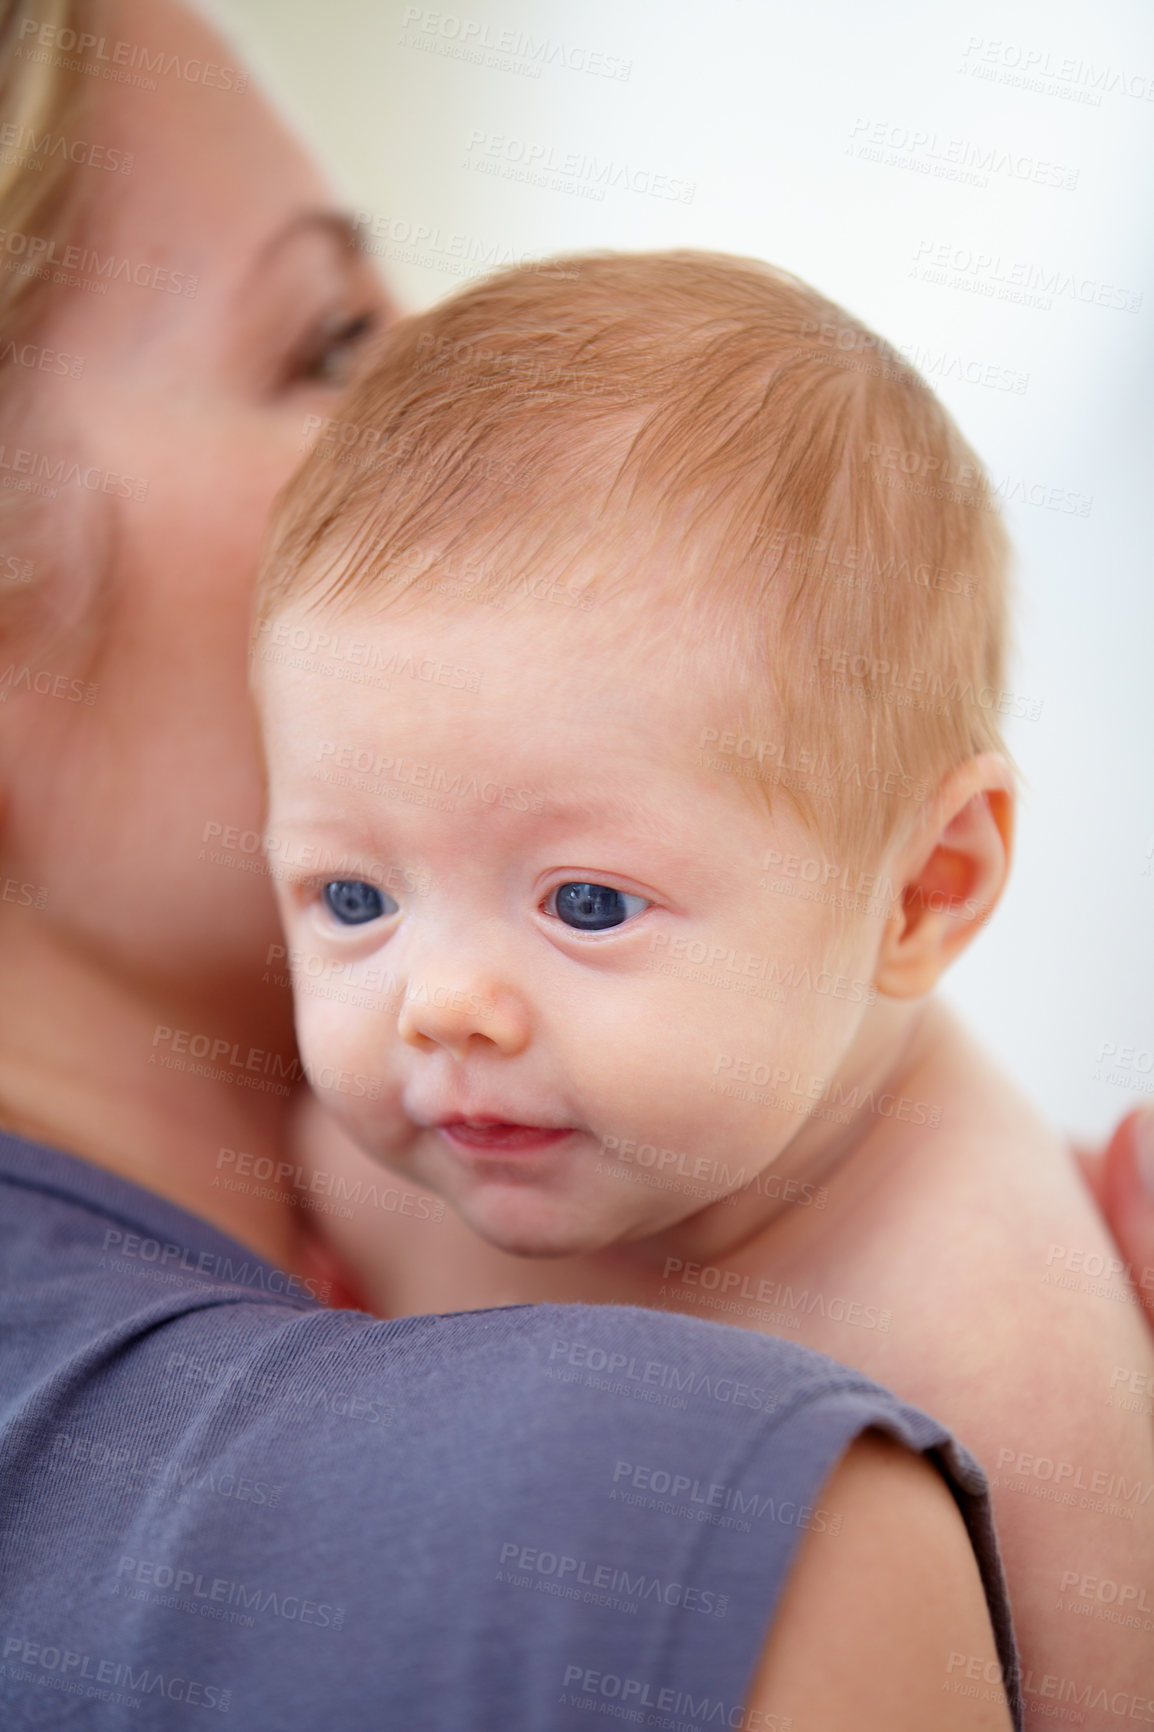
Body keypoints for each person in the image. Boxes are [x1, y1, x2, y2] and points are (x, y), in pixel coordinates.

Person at [0, 1, 1027, 1725]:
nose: (451, 371)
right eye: (329, 343)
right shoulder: (727, 1531)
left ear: (926, 889)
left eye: (589, 904)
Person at [250, 250, 1154, 1725]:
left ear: (923, 890)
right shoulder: (357, 1174)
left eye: (587, 904)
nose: (440, 1006)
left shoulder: (999, 1341)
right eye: (353, 898)